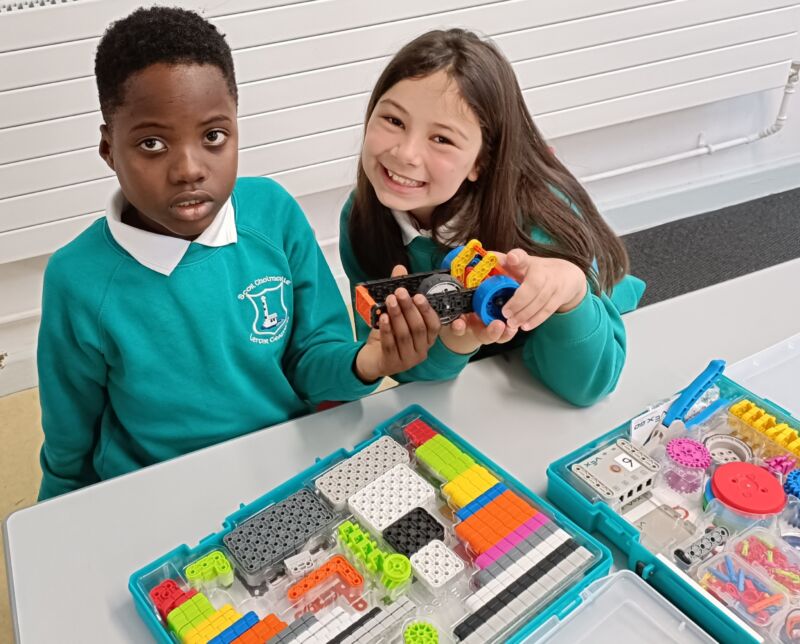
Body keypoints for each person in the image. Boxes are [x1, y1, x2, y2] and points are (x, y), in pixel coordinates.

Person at [36, 7, 439, 500]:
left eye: (213, 136)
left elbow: (314, 357)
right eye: (152, 143)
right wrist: (53, 516)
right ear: (108, 149)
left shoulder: (272, 213)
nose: (189, 169)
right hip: (156, 486)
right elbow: (69, 442)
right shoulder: (77, 279)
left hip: (282, 465)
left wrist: (366, 362)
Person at [340, 29, 645, 405]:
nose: (405, 154)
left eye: (442, 139)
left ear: (481, 161)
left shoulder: (537, 219)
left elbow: (587, 387)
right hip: (478, 383)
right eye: (393, 120)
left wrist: (570, 292)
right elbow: (396, 363)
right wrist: (457, 341)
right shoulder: (362, 218)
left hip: (586, 336)